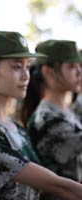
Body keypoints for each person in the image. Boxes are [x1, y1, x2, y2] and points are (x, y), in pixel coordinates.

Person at [0, 31, 82, 200]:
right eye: (17, 67)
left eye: (27, 66)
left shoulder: (13, 126)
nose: (26, 76)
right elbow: (54, 184)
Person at [21, 40, 82, 199]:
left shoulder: (67, 111)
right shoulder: (47, 119)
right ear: (48, 71)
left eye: (79, 66)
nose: (79, 72)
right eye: (71, 67)